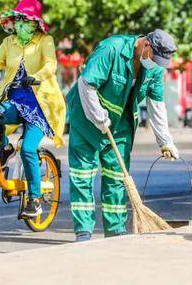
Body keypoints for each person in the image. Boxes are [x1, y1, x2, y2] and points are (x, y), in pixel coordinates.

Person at [67, 30, 179, 241]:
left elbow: (156, 103)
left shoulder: (155, 69)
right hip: (86, 118)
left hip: (121, 125)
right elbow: (86, 84)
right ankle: (83, 231)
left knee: (117, 178)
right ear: (146, 46)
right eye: (154, 59)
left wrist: (165, 141)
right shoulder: (112, 49)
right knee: (83, 176)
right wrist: (98, 117)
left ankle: (115, 231)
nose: (155, 65)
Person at [0, 0, 66, 217]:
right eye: (17, 19)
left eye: (24, 19)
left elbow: (51, 64)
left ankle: (35, 200)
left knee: (28, 149)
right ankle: (6, 148)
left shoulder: (45, 40)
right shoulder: (10, 43)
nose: (19, 23)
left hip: (39, 106)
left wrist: (35, 77)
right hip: (13, 101)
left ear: (35, 23)